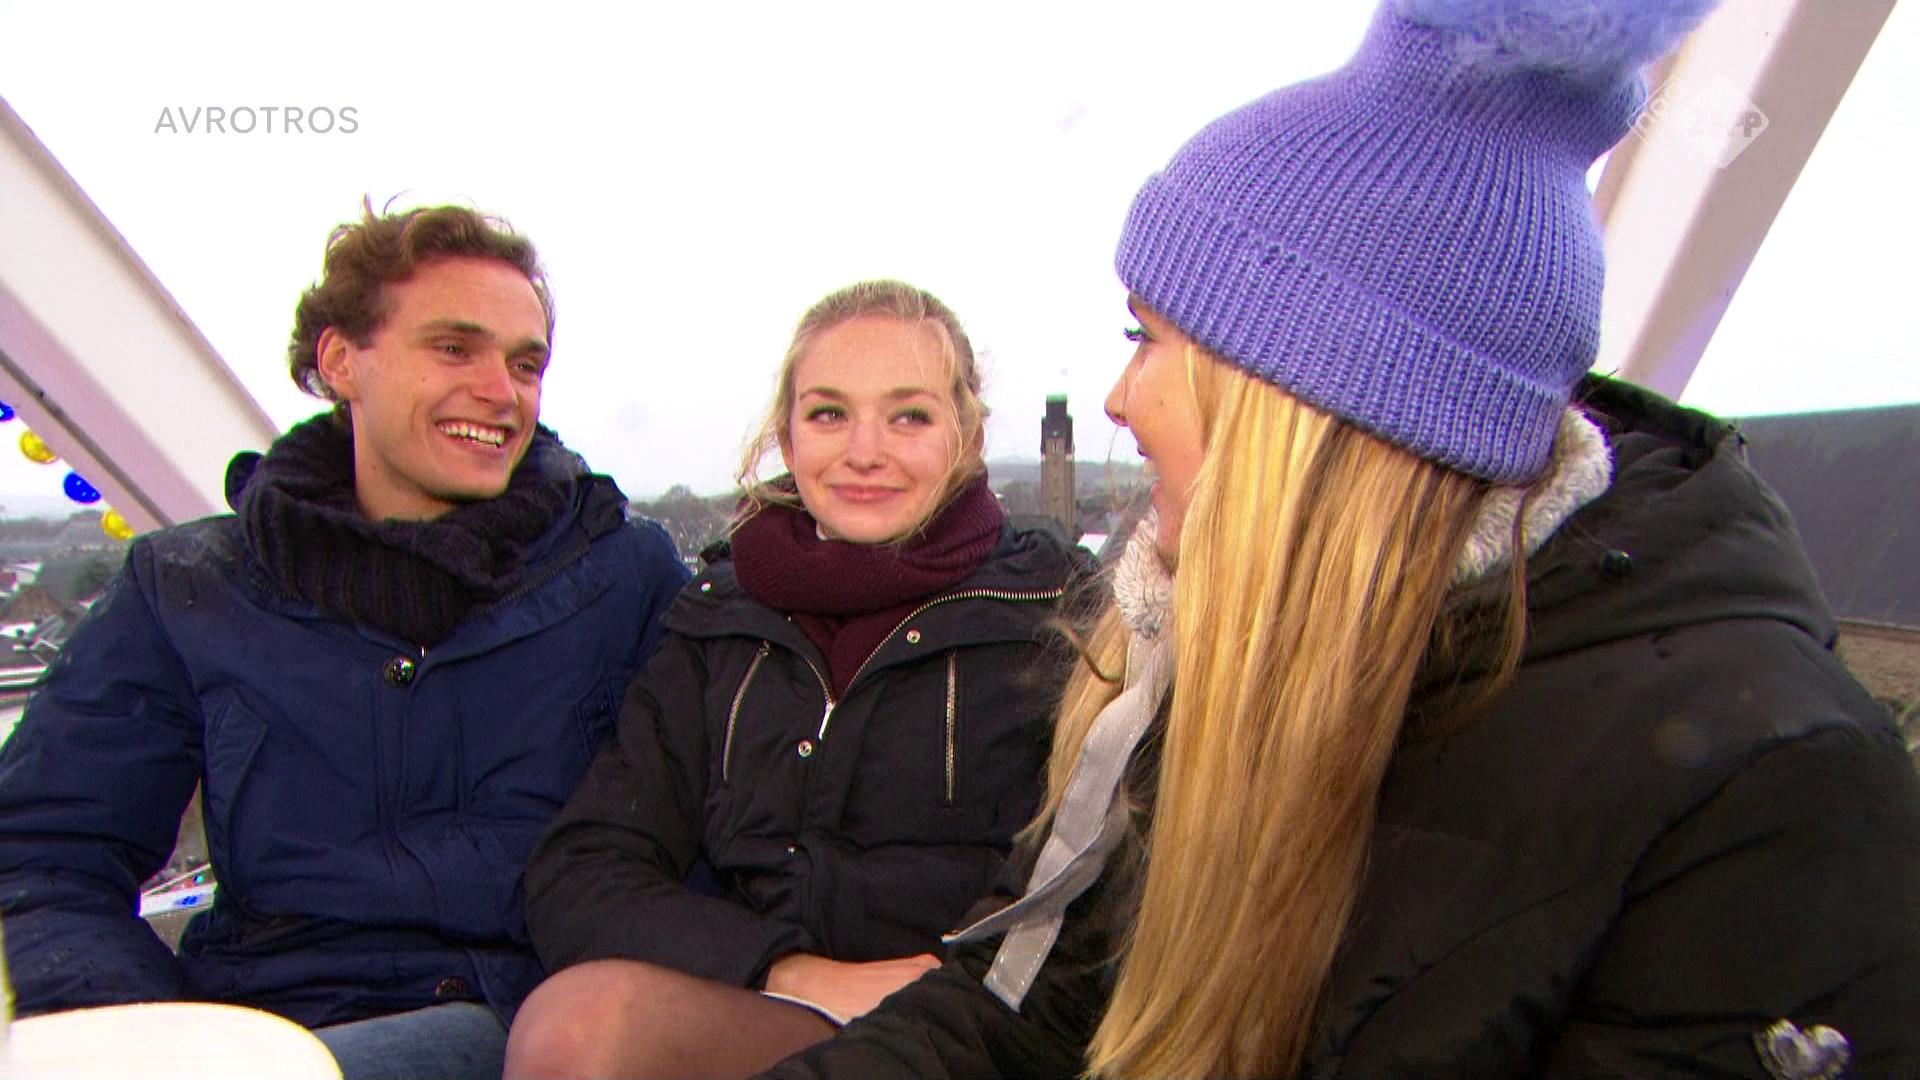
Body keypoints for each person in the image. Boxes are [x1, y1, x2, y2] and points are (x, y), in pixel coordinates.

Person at [760, 4, 1920, 1079]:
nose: (1119, 399)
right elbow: (1022, 1017)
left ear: (1306, 402)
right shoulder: (1203, 646)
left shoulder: (1762, 796)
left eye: (1149, 338)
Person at [0, 202, 690, 1080]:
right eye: (455, 349)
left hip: (529, 1024)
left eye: (526, 364)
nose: (501, 392)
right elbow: (44, 856)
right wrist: (146, 1031)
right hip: (266, 1032)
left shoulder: (621, 577)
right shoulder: (191, 587)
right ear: (340, 361)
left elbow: (716, 829)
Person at [502, 280, 1085, 1079]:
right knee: (576, 1031)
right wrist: (785, 968)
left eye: (909, 416)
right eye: (829, 414)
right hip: (782, 1014)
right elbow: (582, 870)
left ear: (968, 435)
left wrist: (945, 996)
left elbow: (1090, 897)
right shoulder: (721, 622)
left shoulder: (1057, 616)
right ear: (787, 434)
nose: (864, 452)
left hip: (972, 1036)